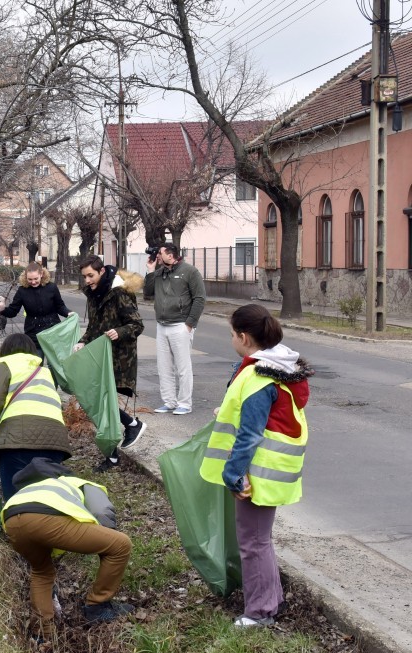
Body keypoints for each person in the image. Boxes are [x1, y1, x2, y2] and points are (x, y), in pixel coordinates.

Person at [200, 304, 312, 628]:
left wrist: (233, 475)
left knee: (253, 542)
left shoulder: (258, 375)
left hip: (259, 470)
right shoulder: (277, 364)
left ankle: (260, 612)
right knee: (260, 539)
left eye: (232, 334)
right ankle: (271, 600)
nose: (231, 339)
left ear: (245, 337)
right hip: (271, 468)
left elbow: (250, 434)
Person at [1, 457, 133, 640]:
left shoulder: (27, 489)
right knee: (120, 544)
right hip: (45, 517)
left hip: (11, 520)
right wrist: (105, 542)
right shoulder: (73, 481)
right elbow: (102, 511)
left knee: (41, 572)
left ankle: (43, 635)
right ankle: (97, 606)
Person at [0, 333, 72, 500]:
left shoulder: (5, 364)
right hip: (55, 443)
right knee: (46, 500)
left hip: (17, 442)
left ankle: (16, 524)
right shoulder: (45, 372)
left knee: (17, 501)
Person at [76, 256, 146, 471]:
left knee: (102, 402)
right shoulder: (93, 294)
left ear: (102, 271)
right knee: (99, 402)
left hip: (119, 357)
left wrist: (120, 332)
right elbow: (94, 327)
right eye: (85, 276)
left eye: (91, 275)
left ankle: (120, 444)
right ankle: (130, 427)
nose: (87, 280)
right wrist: (82, 341)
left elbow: (136, 324)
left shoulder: (120, 292)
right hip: (100, 354)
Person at [144, 242, 206, 415]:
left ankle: (185, 403)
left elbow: (200, 298)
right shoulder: (160, 273)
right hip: (162, 325)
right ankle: (169, 402)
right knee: (163, 366)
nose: (157, 256)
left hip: (181, 325)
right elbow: (148, 292)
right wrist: (150, 270)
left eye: (160, 253)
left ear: (170, 255)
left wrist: (190, 323)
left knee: (183, 367)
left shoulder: (189, 271)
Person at [0, 262, 71, 355]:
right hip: (33, 333)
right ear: (25, 277)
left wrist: (68, 313)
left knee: (55, 365)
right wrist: (3, 309)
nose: (33, 282)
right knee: (36, 364)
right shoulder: (22, 291)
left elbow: (60, 306)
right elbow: (13, 311)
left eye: (36, 278)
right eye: (30, 279)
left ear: (41, 274)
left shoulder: (51, 287)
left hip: (53, 331)